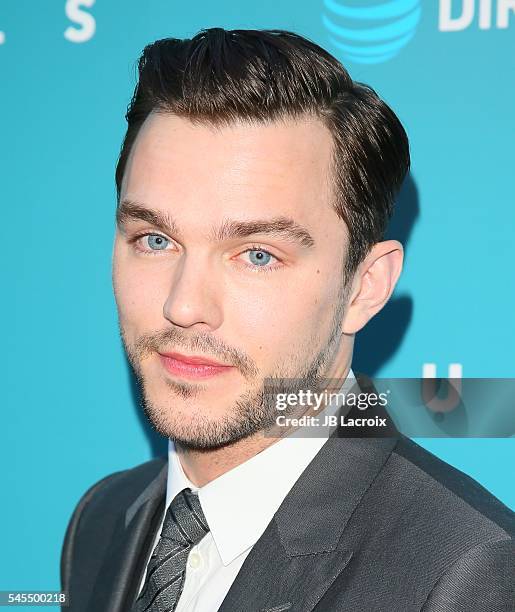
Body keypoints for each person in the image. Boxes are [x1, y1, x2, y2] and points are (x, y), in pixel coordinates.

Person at [60, 28, 514, 612]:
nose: (184, 304)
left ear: (363, 287)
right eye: (154, 239)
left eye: (257, 255)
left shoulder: (467, 574)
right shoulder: (102, 519)